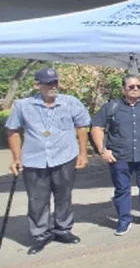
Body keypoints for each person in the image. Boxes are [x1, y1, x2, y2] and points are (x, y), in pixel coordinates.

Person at [5, 67, 91, 255]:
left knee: (64, 196)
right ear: (37, 85)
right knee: (37, 200)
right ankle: (40, 235)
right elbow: (13, 131)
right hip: (35, 160)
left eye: (55, 82)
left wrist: (83, 154)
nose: (53, 86)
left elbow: (82, 127)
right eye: (48, 83)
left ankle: (63, 230)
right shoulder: (23, 105)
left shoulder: (70, 102)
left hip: (65, 157)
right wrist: (16, 158)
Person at [90, 74, 140, 236]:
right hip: (120, 156)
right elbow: (96, 128)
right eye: (131, 87)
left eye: (139, 86)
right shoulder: (111, 107)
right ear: (123, 89)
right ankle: (124, 219)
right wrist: (103, 150)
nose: (136, 89)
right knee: (122, 189)